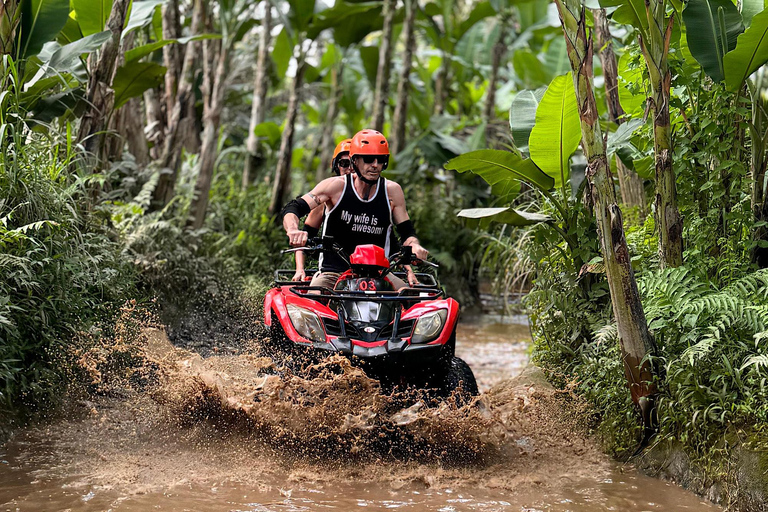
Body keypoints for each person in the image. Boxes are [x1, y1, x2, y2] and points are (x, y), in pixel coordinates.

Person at [282, 129, 427, 291]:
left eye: (380, 160)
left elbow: (407, 233)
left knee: (408, 298)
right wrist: (293, 230)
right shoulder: (334, 187)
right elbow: (294, 207)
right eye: (368, 159)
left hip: (380, 273)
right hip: (334, 273)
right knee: (314, 299)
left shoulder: (393, 191)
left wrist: (415, 246)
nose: (375, 165)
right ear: (355, 161)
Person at [292, 139, 353, 281]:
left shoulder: (375, 195)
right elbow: (304, 238)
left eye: (353, 163)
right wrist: (300, 269)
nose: (349, 168)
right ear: (336, 166)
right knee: (314, 297)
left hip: (369, 272)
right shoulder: (325, 198)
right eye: (344, 163)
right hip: (332, 272)